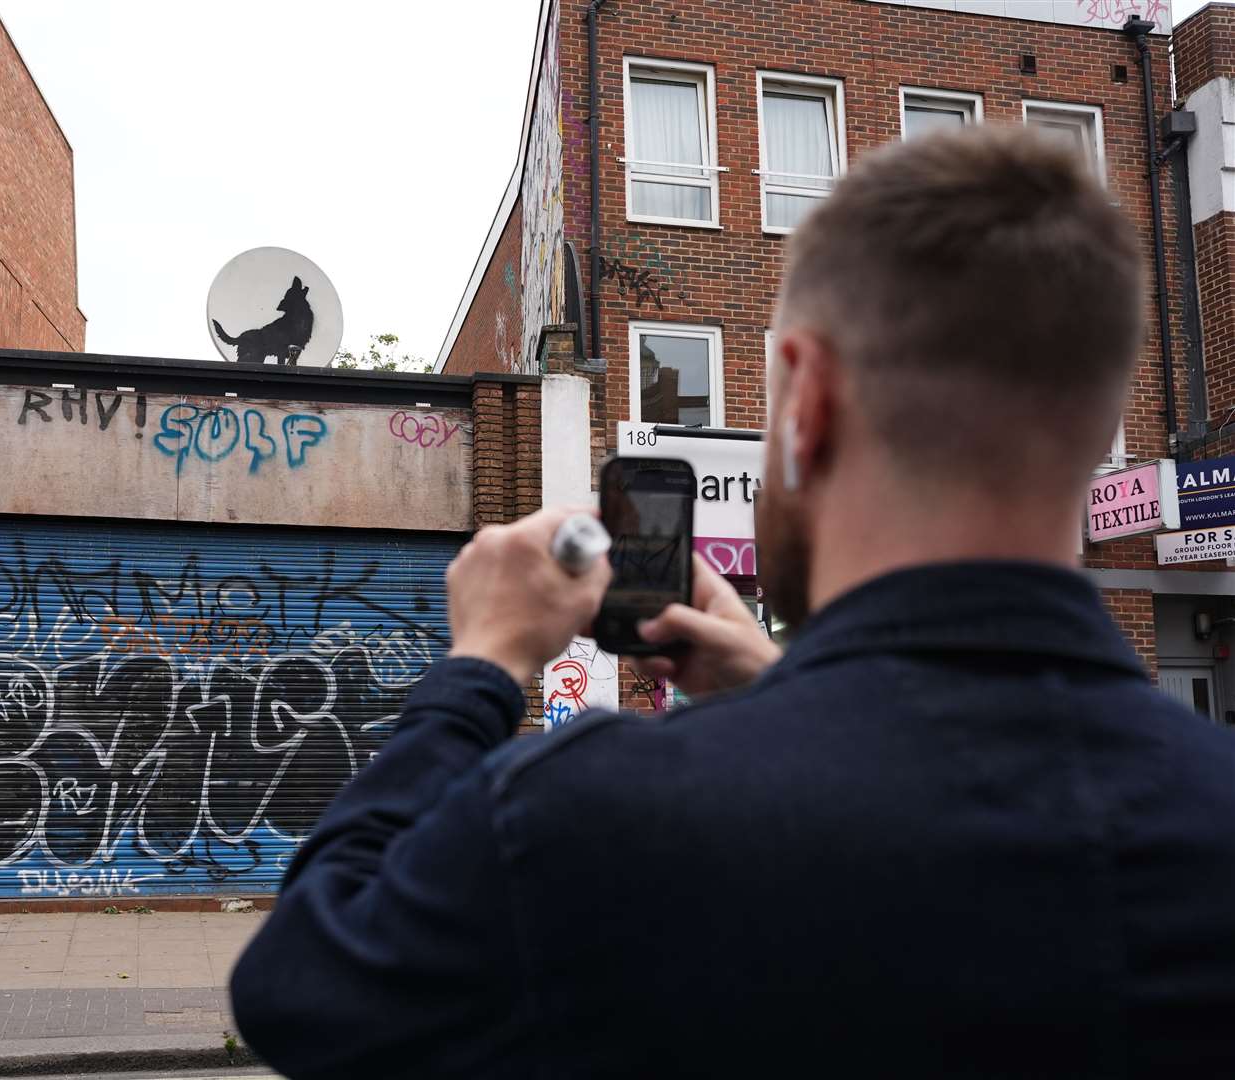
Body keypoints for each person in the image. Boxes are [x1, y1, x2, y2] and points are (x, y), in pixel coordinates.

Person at [229, 125, 1235, 1077]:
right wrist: (786, 687)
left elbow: (303, 984)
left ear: (807, 397)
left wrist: (482, 662)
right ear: (1102, 415)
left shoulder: (600, 820)